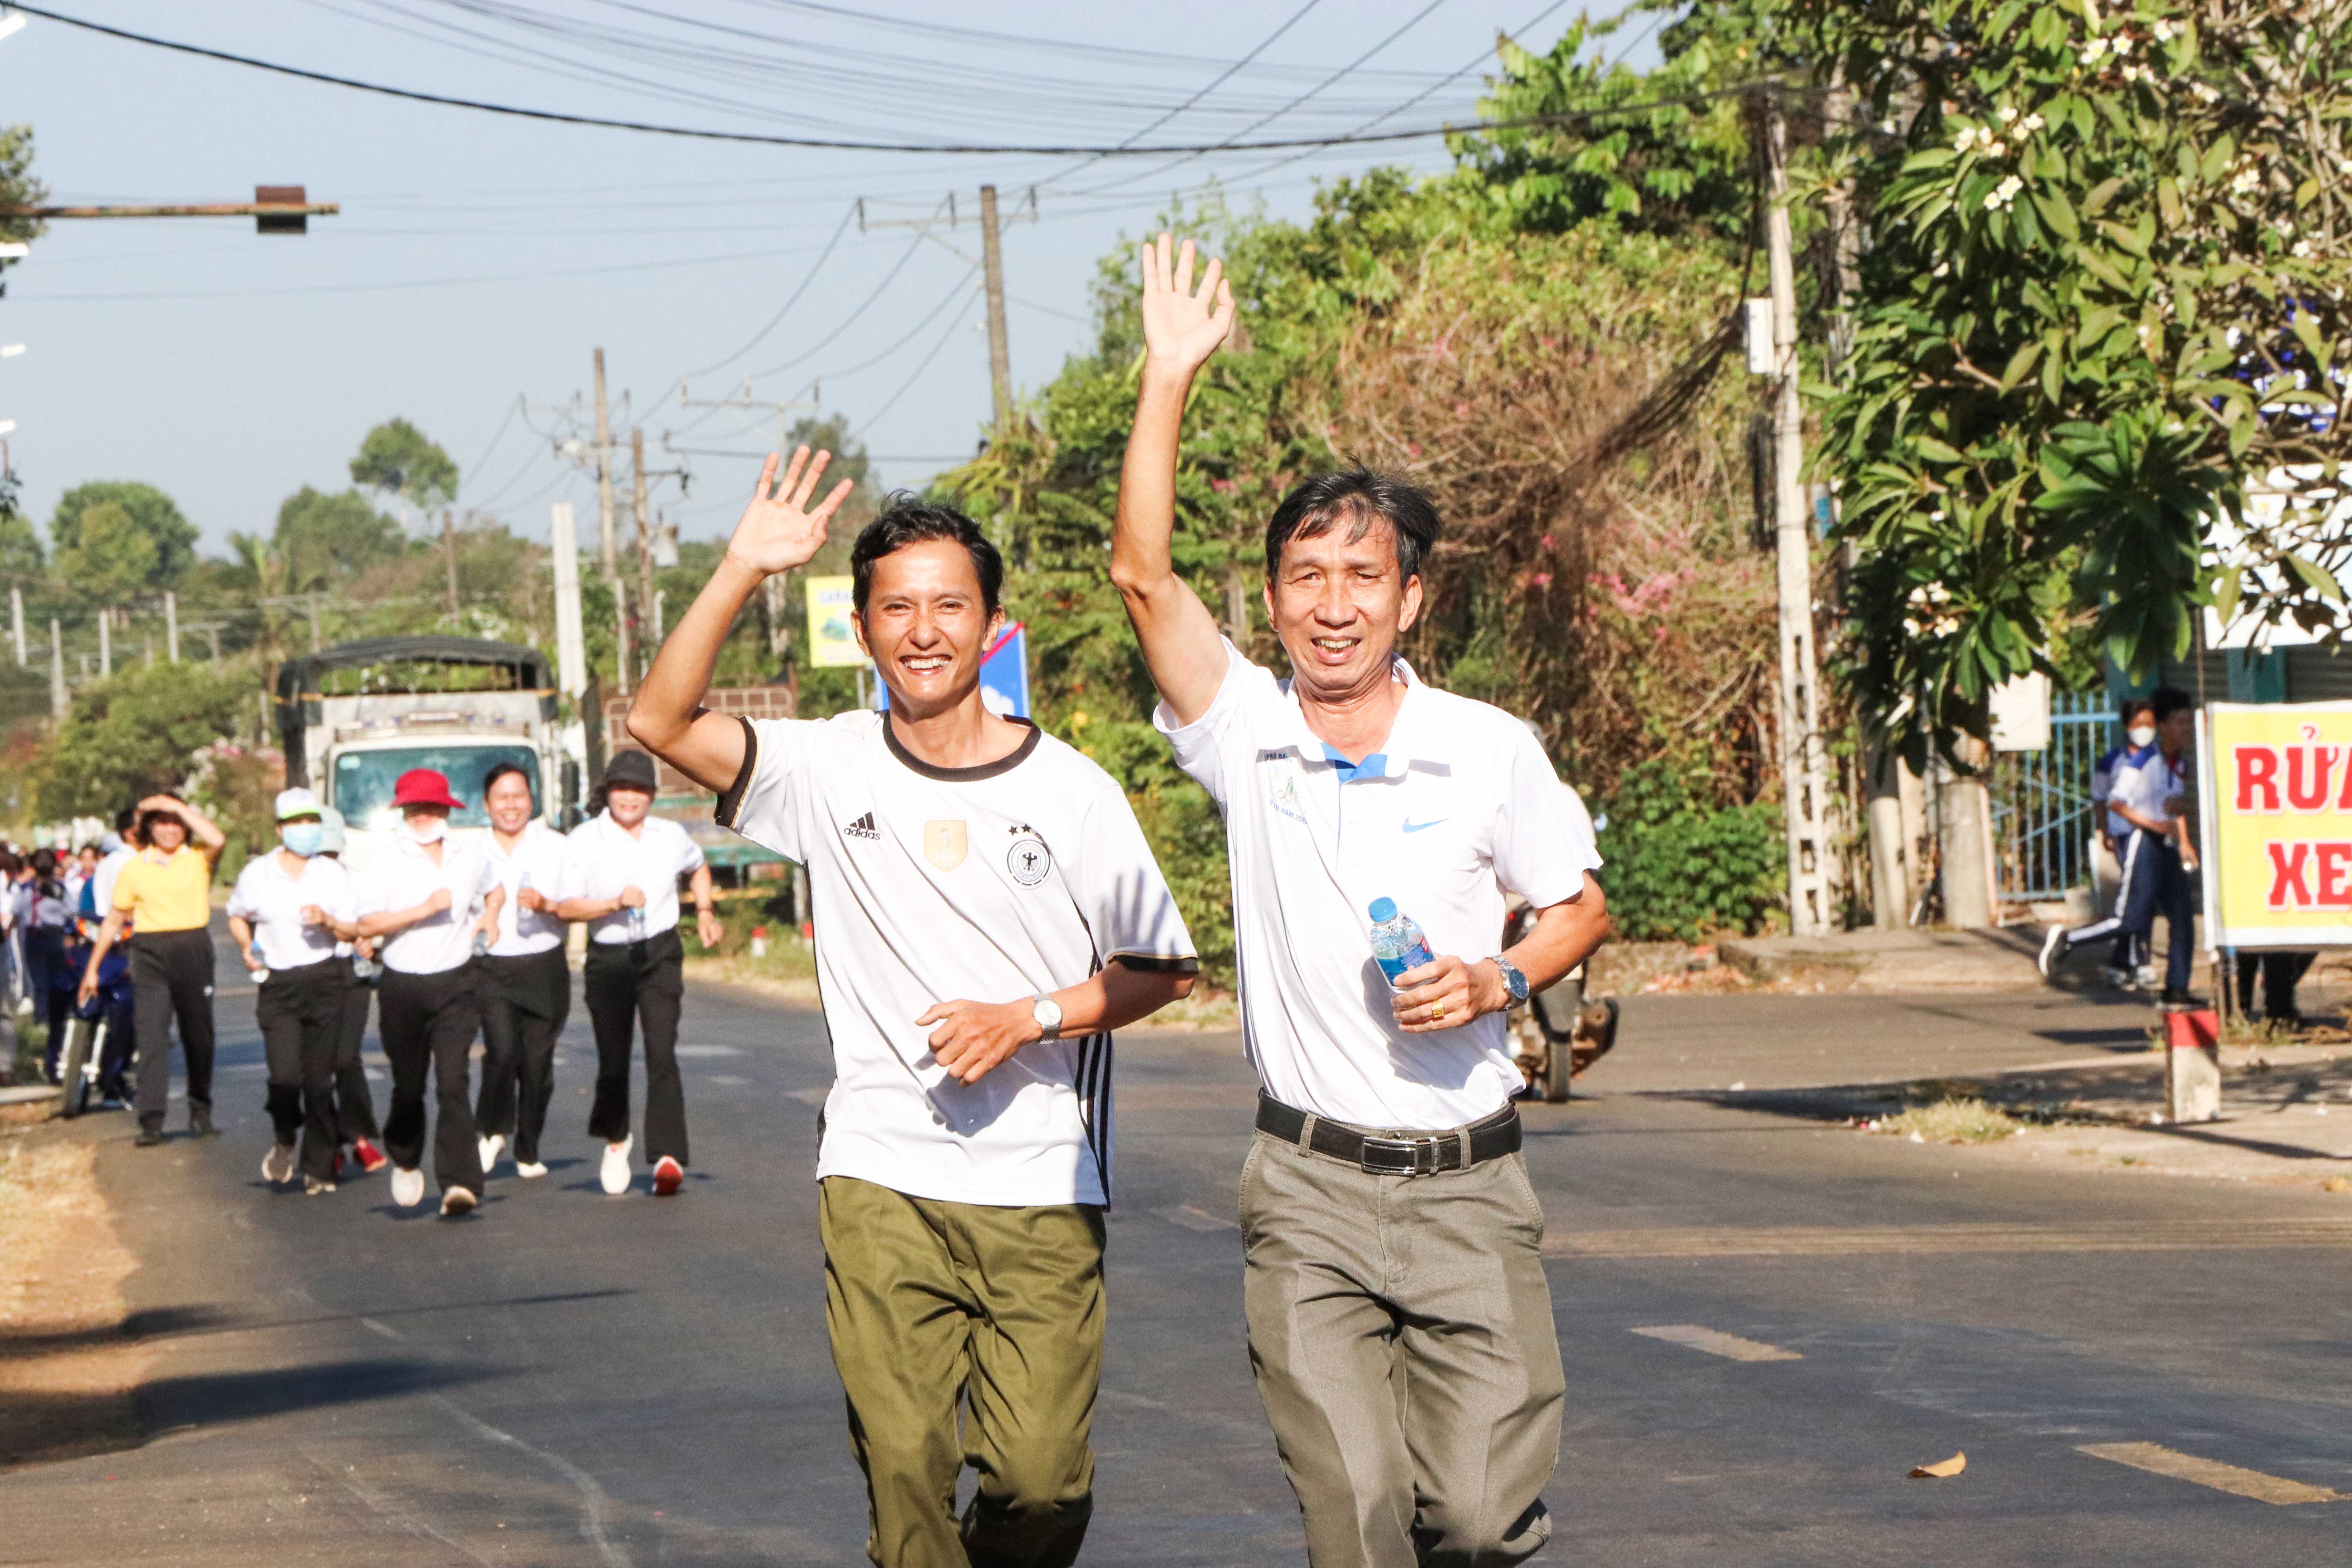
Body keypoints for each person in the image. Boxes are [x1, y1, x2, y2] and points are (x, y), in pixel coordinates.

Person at [1107, 236, 1610, 1567]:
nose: (1336, 608)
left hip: (1469, 1186)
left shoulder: (1491, 747)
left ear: (1412, 598)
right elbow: (1143, 579)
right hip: (1310, 1189)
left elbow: (1576, 909)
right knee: (1360, 1519)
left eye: (1364, 579)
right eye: (1308, 581)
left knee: (1487, 1526)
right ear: (1273, 604)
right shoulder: (1243, 730)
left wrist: (1501, 980)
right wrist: (1167, 377)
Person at [630, 457, 1200, 1566]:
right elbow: (660, 715)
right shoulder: (825, 767)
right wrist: (743, 563)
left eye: (950, 606)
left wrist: (1027, 1018)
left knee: (1038, 1487)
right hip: (881, 1170)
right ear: (862, 627)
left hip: (1041, 1180)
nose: (923, 630)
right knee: (905, 1473)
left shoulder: (1073, 792)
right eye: (897, 607)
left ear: (994, 627)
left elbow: (1162, 969)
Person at [554, 748, 718, 1198]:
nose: (630, 797)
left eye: (640, 789)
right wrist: (613, 902)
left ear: (652, 794)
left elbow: (698, 865)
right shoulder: (584, 839)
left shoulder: (671, 835)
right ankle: (615, 1139)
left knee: (662, 1051)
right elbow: (566, 907)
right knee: (613, 1060)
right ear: (608, 792)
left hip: (660, 953)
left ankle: (667, 1157)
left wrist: (704, 910)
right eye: (622, 788)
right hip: (609, 957)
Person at [353, 769, 503, 1217]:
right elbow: (367, 925)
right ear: (402, 812)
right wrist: (423, 910)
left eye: (431, 807)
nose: (423, 816)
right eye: (414, 808)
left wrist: (490, 916)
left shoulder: (470, 856)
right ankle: (404, 1155)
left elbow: (495, 890)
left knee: (454, 1081)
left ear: (446, 810)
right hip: (403, 985)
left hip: (457, 983)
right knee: (408, 1085)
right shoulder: (384, 861)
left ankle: (460, 1182)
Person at [227, 788, 359, 1194]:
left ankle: (319, 1168)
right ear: (280, 828)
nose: (306, 829)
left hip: (325, 978)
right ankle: (285, 1134)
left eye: (312, 821)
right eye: (297, 822)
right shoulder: (259, 874)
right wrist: (248, 947)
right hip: (280, 984)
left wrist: (328, 921)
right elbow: (237, 915)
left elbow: (353, 929)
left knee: (321, 1082)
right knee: (285, 1077)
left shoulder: (333, 874)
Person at [2041, 686, 2204, 1007]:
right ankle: (2068, 939)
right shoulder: (2144, 761)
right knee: (2130, 919)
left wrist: (2184, 839)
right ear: (2164, 725)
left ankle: (2177, 989)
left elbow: (2173, 808)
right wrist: (2154, 824)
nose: (2186, 730)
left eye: (2189, 723)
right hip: (2145, 842)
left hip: (2168, 844)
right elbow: (2116, 803)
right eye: (2181, 723)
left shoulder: (2179, 765)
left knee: (2182, 916)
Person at [81, 795, 228, 1148]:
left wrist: (174, 805)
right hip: (149, 952)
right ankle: (151, 1120)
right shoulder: (134, 867)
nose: (170, 829)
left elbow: (217, 839)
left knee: (199, 1036)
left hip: (192, 949)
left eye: (175, 822)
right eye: (161, 822)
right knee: (151, 1039)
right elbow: (115, 919)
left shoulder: (197, 859)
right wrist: (93, 969)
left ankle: (200, 1106)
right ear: (148, 828)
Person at [475, 760, 572, 1180]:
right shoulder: (472, 851)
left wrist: (550, 903)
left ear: (531, 800)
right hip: (492, 966)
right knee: (501, 1051)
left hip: (544, 964)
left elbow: (575, 900)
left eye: (519, 796)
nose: (511, 805)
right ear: (487, 804)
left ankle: (528, 1147)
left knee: (537, 1064)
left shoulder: (556, 845)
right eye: (502, 797)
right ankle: (491, 1129)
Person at [315, 806, 389, 1176]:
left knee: (346, 1058)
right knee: (315, 1064)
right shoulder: (292, 880)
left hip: (351, 973)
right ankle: (328, 1142)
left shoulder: (358, 879)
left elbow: (373, 922)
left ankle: (358, 1135)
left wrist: (369, 943)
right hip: (310, 974)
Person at [2085, 696, 2158, 987]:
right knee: (2137, 900)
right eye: (2139, 724)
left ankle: (2127, 961)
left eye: (2150, 724)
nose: (2145, 729)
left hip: (2152, 835)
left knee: (2144, 901)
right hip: (2126, 835)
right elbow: (2100, 799)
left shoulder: (2159, 758)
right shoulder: (2112, 760)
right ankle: (2136, 962)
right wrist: (2105, 832)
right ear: (2128, 726)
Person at [25, 850, 74, 1082]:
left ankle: (49, 1023)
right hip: (33, 938)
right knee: (38, 982)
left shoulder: (60, 889)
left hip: (53, 937)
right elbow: (17, 912)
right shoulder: (26, 889)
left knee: (54, 984)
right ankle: (40, 1022)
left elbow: (71, 912)